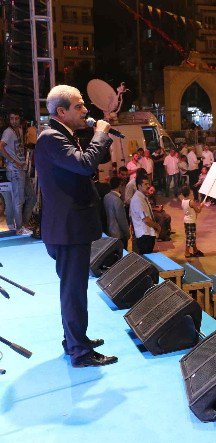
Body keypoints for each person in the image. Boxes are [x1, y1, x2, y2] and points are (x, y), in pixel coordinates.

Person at [34, 84, 117, 367]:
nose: (85, 110)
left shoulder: (63, 135)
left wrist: (101, 136)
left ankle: (74, 339)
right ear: (61, 111)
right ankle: (80, 352)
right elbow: (84, 165)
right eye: (79, 106)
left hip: (70, 228)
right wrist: (101, 134)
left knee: (73, 289)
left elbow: (94, 160)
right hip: (67, 230)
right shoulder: (51, 138)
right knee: (73, 291)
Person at [0, 110, 32, 234]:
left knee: (32, 197)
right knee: (19, 200)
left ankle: (23, 224)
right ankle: (19, 228)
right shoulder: (8, 132)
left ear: (19, 119)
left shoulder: (19, 130)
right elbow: (1, 147)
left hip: (21, 169)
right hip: (15, 170)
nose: (14, 121)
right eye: (12, 118)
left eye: (16, 118)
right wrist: (14, 161)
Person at [130, 175, 162, 254]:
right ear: (139, 186)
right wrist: (157, 226)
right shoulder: (138, 199)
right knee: (147, 258)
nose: (148, 186)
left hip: (147, 233)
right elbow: (146, 220)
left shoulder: (143, 196)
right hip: (144, 236)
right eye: (145, 184)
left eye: (148, 184)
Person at [103, 176, 130, 248]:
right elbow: (122, 219)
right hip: (119, 234)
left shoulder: (106, 197)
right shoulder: (118, 200)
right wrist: (127, 233)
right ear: (120, 185)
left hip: (109, 232)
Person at [181, 185, 205, 258]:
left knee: (192, 236)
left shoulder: (183, 201)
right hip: (190, 221)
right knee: (190, 237)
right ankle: (187, 252)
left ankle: (195, 250)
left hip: (186, 220)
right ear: (189, 193)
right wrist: (201, 206)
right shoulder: (191, 202)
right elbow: (198, 210)